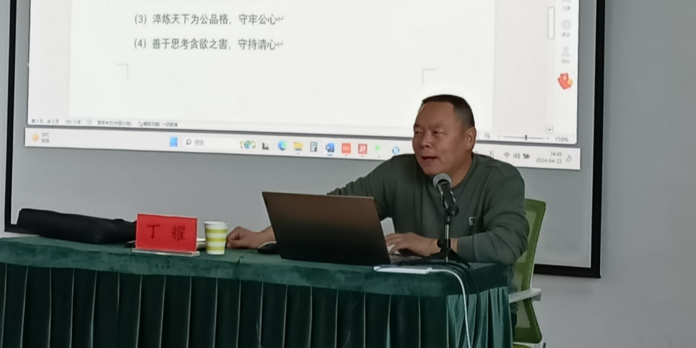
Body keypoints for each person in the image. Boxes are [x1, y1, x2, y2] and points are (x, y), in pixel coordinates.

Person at [226, 94, 529, 264]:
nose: (424, 142)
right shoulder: (399, 171)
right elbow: (331, 211)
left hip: (476, 307)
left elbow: (507, 244)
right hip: (409, 298)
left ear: (468, 139)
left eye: (437, 133)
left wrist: (431, 245)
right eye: (417, 132)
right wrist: (262, 237)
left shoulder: (500, 180)